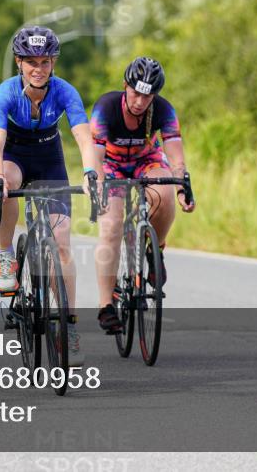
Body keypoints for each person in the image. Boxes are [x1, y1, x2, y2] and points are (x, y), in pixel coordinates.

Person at [0, 25, 99, 366]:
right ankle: (6, 254)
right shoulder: (4, 93)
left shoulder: (65, 92)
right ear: (19, 62)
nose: (39, 68)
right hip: (14, 157)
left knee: (62, 241)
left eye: (46, 61)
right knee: (8, 188)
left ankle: (70, 325)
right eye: (31, 62)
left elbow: (84, 138)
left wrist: (91, 173)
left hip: (50, 158)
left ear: (53, 63)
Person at [90, 57, 195, 333]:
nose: (139, 101)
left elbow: (175, 155)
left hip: (145, 161)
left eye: (147, 96)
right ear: (126, 86)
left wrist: (183, 185)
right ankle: (106, 305)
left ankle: (154, 251)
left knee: (165, 191)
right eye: (135, 93)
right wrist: (98, 187)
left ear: (155, 95)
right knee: (111, 226)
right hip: (110, 165)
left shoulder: (163, 109)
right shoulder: (106, 107)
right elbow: (96, 158)